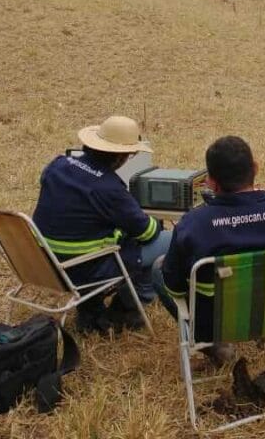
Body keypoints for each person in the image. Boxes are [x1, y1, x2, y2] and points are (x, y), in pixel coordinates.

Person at [157, 136, 265, 360]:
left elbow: (174, 285)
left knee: (159, 266)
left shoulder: (193, 224)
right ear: (255, 168)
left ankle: (215, 347)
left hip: (212, 324)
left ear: (211, 182)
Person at [33, 115, 175, 333]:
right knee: (170, 240)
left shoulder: (57, 165)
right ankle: (128, 309)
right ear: (120, 158)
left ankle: (91, 308)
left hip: (44, 262)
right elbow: (148, 234)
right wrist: (146, 217)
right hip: (86, 269)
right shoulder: (109, 189)